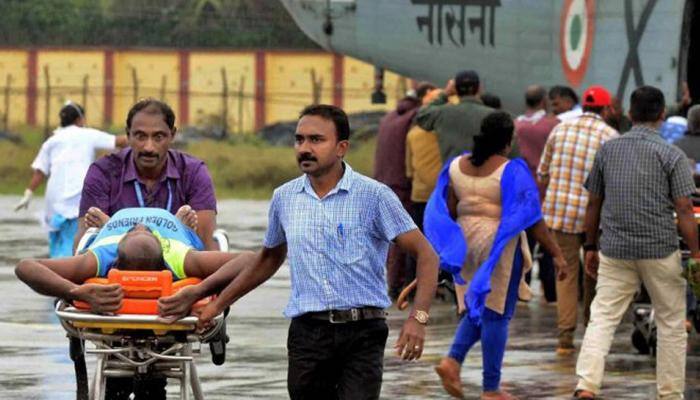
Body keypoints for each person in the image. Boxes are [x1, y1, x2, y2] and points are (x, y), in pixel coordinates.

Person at [193, 104, 439, 400]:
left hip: (363, 333)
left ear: (341, 148)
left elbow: (427, 256)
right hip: (307, 335)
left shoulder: (374, 196)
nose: (305, 148)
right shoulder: (284, 198)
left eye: (316, 140)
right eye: (299, 140)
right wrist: (217, 305)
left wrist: (418, 318)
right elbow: (268, 259)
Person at [15, 206, 255, 400]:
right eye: (137, 229)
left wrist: (77, 291)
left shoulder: (105, 257)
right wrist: (199, 291)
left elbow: (26, 266)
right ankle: (177, 222)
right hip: (138, 226)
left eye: (141, 230)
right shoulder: (180, 259)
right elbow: (250, 260)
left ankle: (172, 223)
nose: (141, 225)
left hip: (135, 227)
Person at [428, 112, 567, 399]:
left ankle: (452, 361)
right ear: (507, 141)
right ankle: (491, 388)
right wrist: (557, 254)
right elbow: (533, 219)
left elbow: (450, 208)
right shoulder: (510, 170)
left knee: (477, 305)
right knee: (497, 315)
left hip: (465, 241)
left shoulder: (456, 166)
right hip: (498, 244)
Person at [573, 86, 699, 400]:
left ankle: (587, 385)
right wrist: (696, 253)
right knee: (670, 320)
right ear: (662, 116)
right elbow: (684, 208)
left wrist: (590, 246)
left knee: (602, 317)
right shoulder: (672, 154)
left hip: (615, 249)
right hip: (660, 248)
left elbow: (593, 204)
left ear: (629, 114)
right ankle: (669, 393)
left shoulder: (608, 151)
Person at [537, 85, 619, 355]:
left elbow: (543, 173)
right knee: (594, 272)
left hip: (560, 213)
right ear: (606, 109)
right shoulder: (610, 136)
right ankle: (591, 327)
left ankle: (565, 336)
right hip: (594, 218)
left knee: (566, 272)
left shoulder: (560, 129)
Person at [75, 98, 219, 251]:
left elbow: (205, 245)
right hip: (116, 266)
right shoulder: (102, 172)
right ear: (128, 135)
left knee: (247, 261)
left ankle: (111, 227)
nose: (149, 147)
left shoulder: (194, 172)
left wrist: (112, 227)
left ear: (172, 135)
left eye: (158, 137)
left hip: (179, 266)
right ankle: (176, 228)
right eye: (140, 136)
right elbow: (85, 245)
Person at [13, 101, 127, 258]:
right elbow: (120, 141)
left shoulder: (52, 140)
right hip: (78, 197)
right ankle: (72, 271)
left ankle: (58, 272)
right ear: (80, 119)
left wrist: (28, 194)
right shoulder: (87, 134)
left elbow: (40, 171)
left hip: (54, 199)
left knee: (58, 240)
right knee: (78, 239)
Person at [374, 82, 435, 299]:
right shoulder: (415, 117)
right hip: (403, 181)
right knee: (404, 235)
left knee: (391, 237)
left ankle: (392, 284)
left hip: (383, 178)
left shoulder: (391, 116)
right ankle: (400, 285)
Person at [514, 85, 561, 303]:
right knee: (548, 240)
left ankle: (520, 288)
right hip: (545, 190)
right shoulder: (553, 125)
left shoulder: (516, 125)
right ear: (543, 101)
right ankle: (550, 291)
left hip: (521, 191)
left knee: (524, 242)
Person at [416, 70, 493, 160]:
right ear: (479, 88)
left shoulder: (442, 113)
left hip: (452, 171)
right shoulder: (492, 115)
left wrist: (445, 94)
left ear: (455, 89)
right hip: (485, 172)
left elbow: (422, 115)